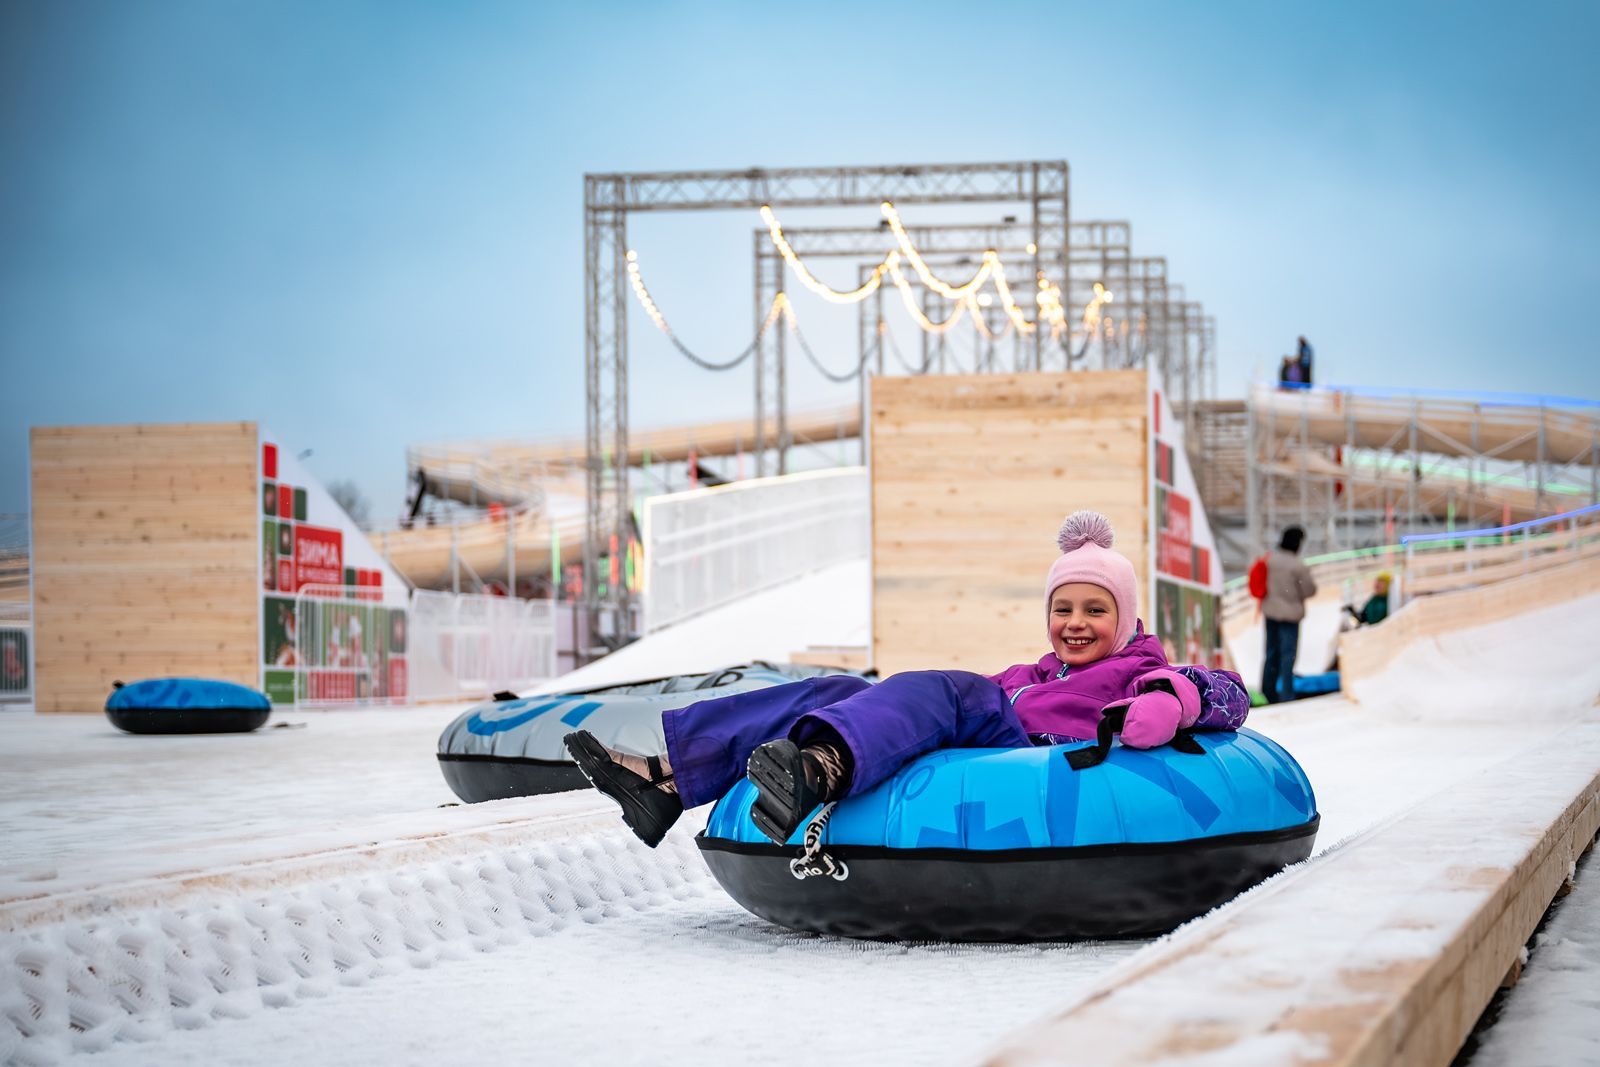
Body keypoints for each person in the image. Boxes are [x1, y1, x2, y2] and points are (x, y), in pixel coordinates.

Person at [565, 511, 1251, 848]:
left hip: (1038, 757)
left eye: (1095, 610)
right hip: (988, 738)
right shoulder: (1033, 673)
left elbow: (1228, 692)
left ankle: (821, 770)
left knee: (953, 689)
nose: (1075, 624)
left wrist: (1173, 701)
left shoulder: (1141, 668)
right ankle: (666, 779)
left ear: (1124, 617)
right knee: (840, 693)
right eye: (1062, 608)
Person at [1261, 526, 1317, 703]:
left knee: (1271, 653)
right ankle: (1286, 694)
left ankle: (1268, 693)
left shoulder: (1270, 561)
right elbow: (1309, 590)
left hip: (1270, 612)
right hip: (1290, 615)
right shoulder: (1297, 565)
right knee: (1287, 656)